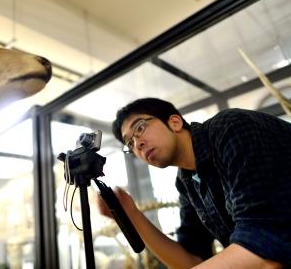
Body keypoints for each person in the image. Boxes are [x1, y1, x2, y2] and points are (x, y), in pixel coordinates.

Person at [97, 97, 291, 268]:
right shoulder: (186, 181)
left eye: (140, 128)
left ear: (174, 122)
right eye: (129, 143)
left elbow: (267, 247)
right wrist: (132, 215)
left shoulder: (230, 128)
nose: (137, 144)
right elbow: (192, 260)